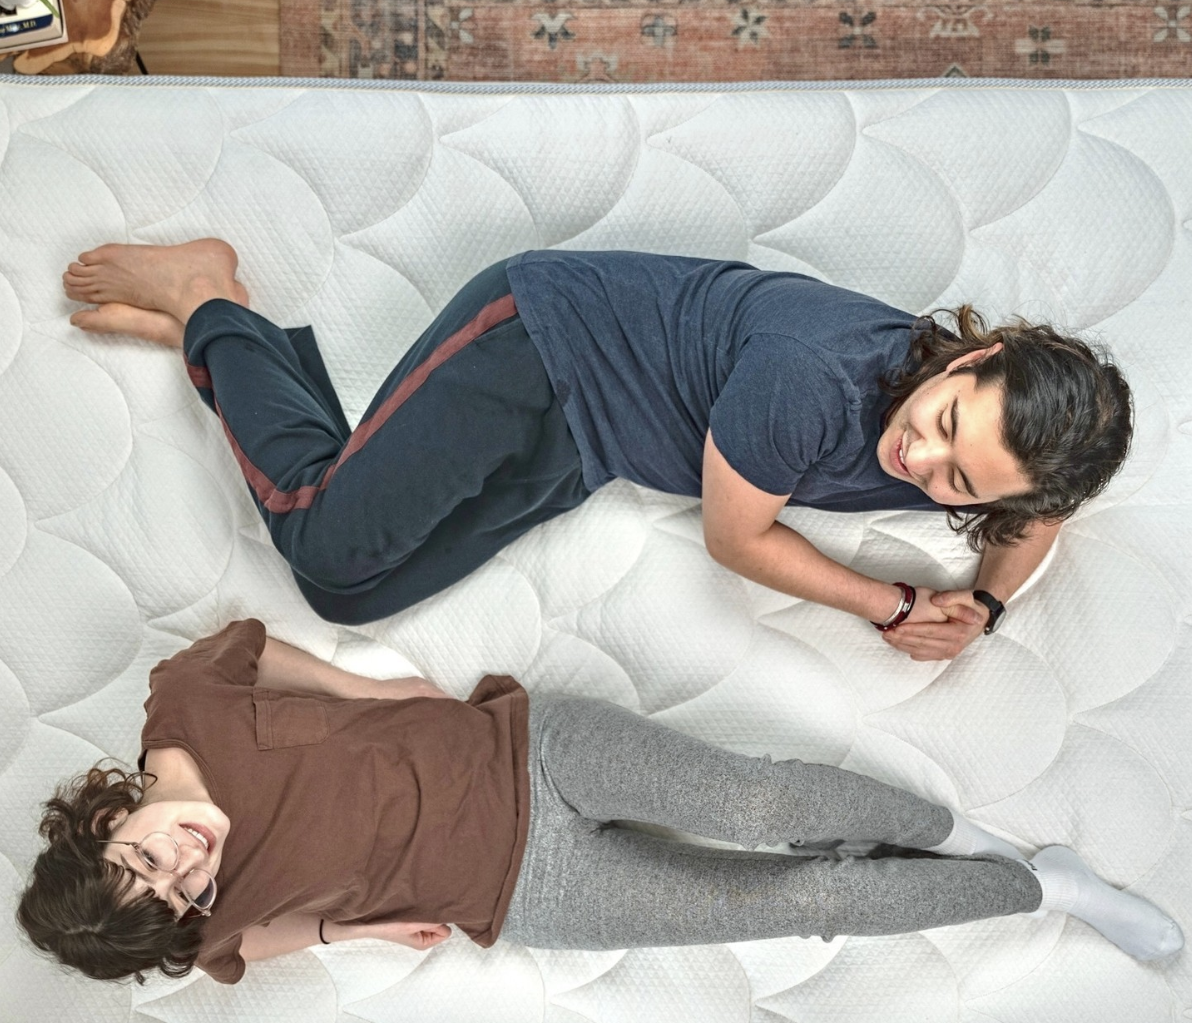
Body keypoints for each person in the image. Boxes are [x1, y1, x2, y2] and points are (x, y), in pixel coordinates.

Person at [61, 241, 1132, 659]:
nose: (919, 463)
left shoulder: (1016, 457)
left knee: (345, 595)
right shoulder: (812, 384)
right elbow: (736, 536)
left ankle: (232, 350)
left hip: (591, 443)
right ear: (971, 356)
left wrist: (987, 602)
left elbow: (1040, 512)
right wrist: (891, 606)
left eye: (959, 481)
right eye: (944, 424)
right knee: (326, 544)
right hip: (537, 347)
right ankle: (209, 297)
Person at [18, 621, 1182, 984]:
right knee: (789, 900)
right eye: (177, 891)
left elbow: (256, 648)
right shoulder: (203, 925)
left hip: (527, 750)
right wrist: (354, 929)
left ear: (102, 818)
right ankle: (1040, 884)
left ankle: (971, 835)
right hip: (527, 891)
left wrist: (370, 685)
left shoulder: (183, 703)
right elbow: (257, 937)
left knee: (759, 796)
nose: (187, 859)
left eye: (146, 852)